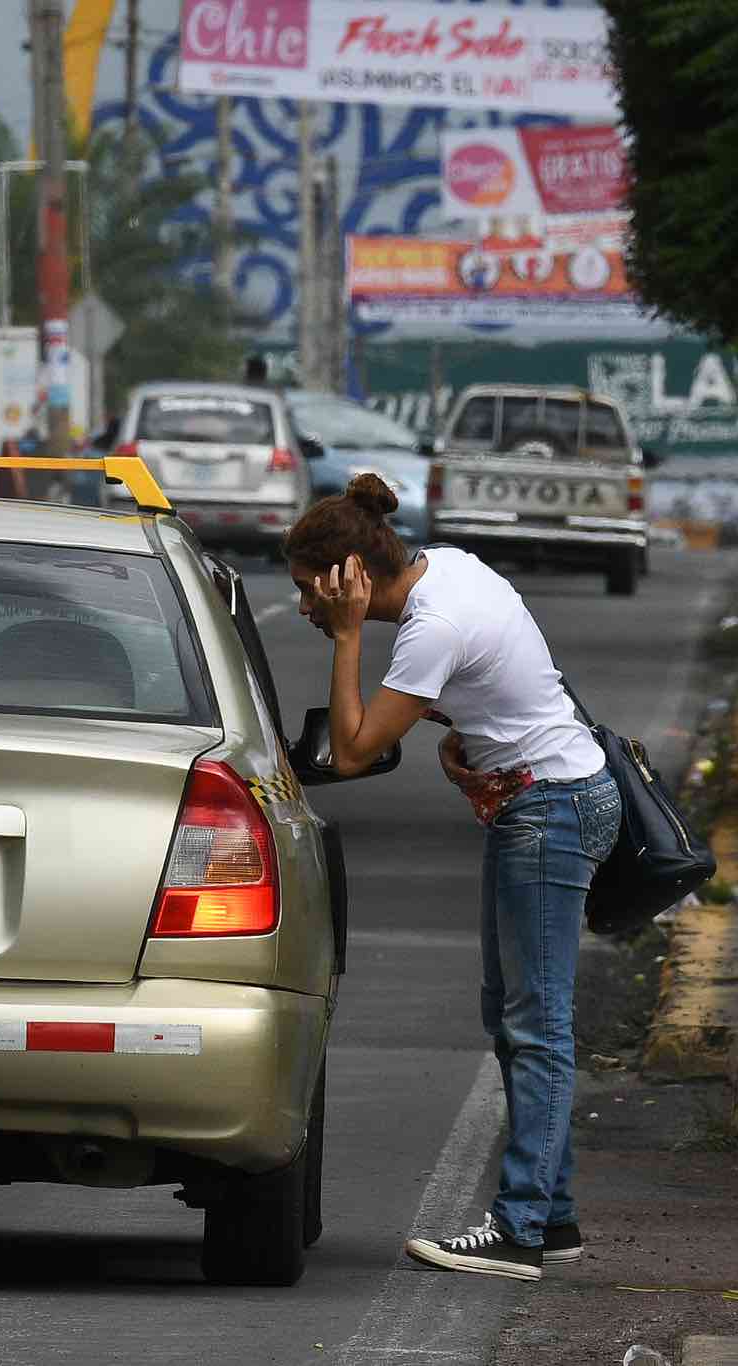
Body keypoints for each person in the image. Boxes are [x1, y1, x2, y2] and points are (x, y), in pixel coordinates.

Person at [283, 474, 619, 1281]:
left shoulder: (431, 624)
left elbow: (355, 751)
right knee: (511, 1015)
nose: (304, 607)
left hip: (552, 813)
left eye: (309, 592)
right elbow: (503, 685)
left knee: (536, 1024)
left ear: (348, 576)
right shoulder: (453, 566)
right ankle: (554, 1213)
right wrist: (468, 733)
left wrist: (346, 637)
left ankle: (522, 1228)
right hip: (549, 799)